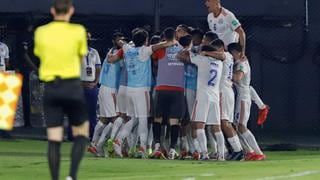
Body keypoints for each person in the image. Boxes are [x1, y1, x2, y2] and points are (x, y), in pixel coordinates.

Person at [33, 1, 89, 179]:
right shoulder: (78, 30)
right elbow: (81, 58)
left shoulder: (41, 32)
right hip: (72, 86)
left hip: (51, 88)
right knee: (81, 134)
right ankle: (72, 176)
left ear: (52, 11)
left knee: (54, 138)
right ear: (71, 10)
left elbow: (40, 55)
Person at [108, 29, 175, 158]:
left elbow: (121, 43)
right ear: (145, 40)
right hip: (141, 90)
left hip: (129, 89)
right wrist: (173, 41)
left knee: (133, 118)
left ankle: (119, 140)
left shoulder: (128, 49)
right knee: (143, 119)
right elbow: (166, 44)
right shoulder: (145, 51)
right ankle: (143, 148)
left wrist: (122, 42)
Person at [205, 0, 269, 124]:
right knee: (235, 84)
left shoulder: (228, 16)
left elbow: (241, 32)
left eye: (208, 1)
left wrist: (242, 52)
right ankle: (261, 106)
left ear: (216, 1)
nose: (205, 4)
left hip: (230, 55)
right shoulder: (209, 17)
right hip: (219, 55)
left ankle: (229, 117)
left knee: (237, 83)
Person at [177, 42, 224, 161]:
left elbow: (179, 56)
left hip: (203, 95)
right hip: (215, 96)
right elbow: (222, 55)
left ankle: (204, 153)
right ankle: (221, 154)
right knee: (217, 127)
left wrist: (188, 48)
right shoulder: (219, 63)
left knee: (198, 124)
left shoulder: (202, 60)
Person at [228, 43, 266, 161]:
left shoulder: (241, 64)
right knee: (237, 126)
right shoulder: (239, 62)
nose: (231, 55)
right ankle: (249, 151)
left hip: (243, 98)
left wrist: (225, 72)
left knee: (241, 126)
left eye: (232, 53)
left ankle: (258, 152)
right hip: (241, 96)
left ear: (238, 52)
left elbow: (237, 78)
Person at [151, 27, 185, 160]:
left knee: (157, 118)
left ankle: (157, 148)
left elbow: (152, 53)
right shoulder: (183, 49)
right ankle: (171, 150)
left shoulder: (161, 49)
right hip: (178, 90)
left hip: (162, 88)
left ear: (164, 37)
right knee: (174, 121)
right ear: (176, 35)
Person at [212, 39, 244, 160]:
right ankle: (235, 149)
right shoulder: (228, 57)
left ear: (220, 48)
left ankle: (238, 150)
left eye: (214, 49)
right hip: (226, 91)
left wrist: (205, 53)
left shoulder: (225, 55)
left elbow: (220, 54)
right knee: (225, 123)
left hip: (224, 92)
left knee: (224, 122)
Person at [81, 31, 101, 140]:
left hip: (92, 85)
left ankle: (92, 134)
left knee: (92, 112)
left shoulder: (94, 52)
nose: (87, 39)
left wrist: (95, 82)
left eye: (89, 37)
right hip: (79, 85)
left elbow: (98, 68)